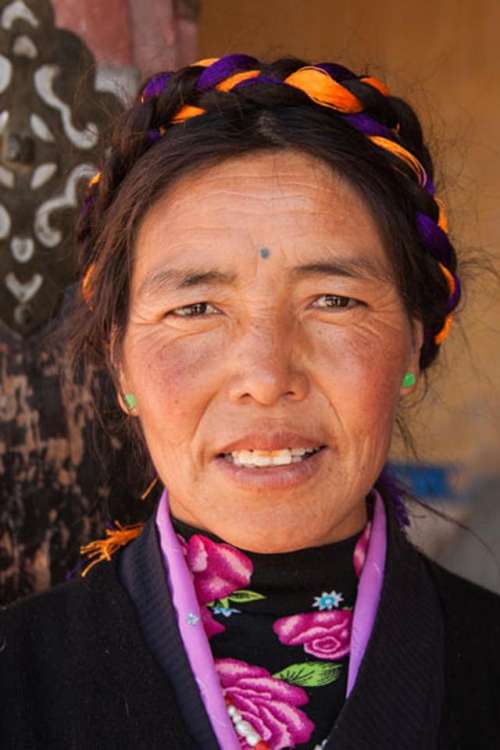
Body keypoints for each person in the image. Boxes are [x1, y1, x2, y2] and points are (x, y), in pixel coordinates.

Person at [0, 53, 498, 750]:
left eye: (333, 300)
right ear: (120, 363)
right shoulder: (17, 683)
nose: (266, 376)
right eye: (197, 306)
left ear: (414, 344)